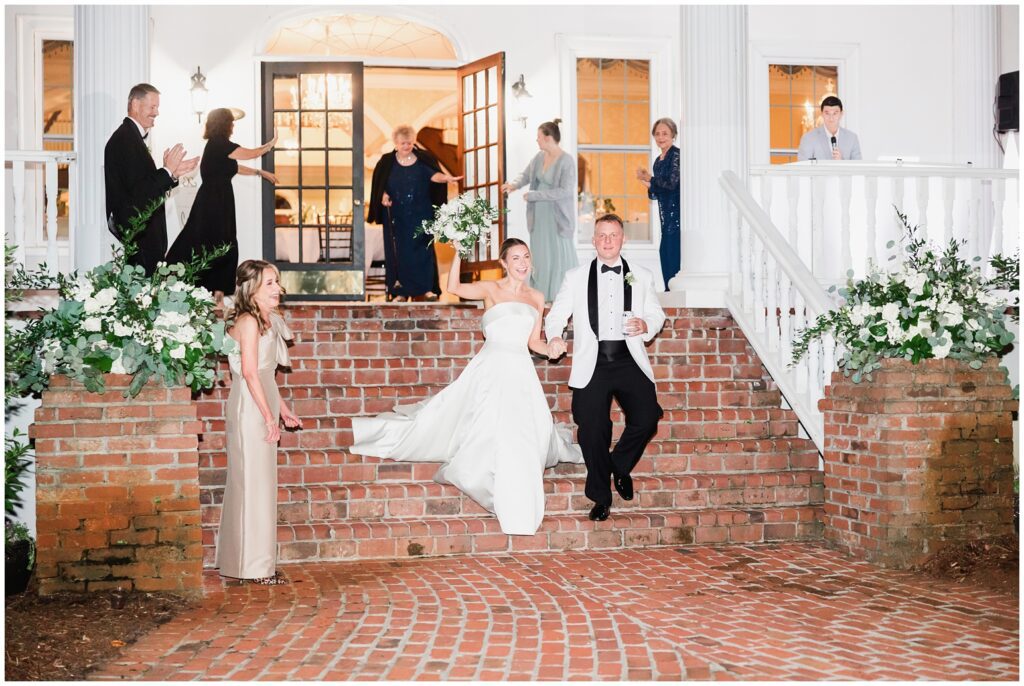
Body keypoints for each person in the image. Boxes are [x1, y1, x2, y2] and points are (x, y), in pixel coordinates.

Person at [350, 238, 583, 536]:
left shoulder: (536, 297)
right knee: (486, 428)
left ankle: (518, 493)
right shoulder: (491, 289)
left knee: (526, 432)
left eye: (526, 256)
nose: (522, 263)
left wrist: (550, 347)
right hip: (491, 368)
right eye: (515, 258)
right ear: (503, 263)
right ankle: (493, 483)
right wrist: (460, 250)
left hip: (521, 372)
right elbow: (455, 287)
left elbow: (533, 341)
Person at [545, 213, 665, 522]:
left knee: (648, 416)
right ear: (594, 239)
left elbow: (657, 314)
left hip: (628, 358)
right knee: (592, 431)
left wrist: (646, 324)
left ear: (623, 239)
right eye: (602, 235)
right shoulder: (575, 276)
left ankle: (619, 466)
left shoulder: (641, 274)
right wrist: (555, 335)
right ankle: (600, 496)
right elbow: (556, 314)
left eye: (613, 235)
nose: (608, 240)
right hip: (593, 361)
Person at [215, 260, 302, 585]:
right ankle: (252, 567)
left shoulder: (268, 319)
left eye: (277, 282)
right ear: (251, 288)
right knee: (251, 485)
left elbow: (267, 375)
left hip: (261, 401)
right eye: (269, 283)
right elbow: (250, 373)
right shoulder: (249, 321)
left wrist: (282, 410)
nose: (278, 288)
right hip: (249, 409)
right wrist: (267, 417)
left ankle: (251, 563)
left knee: (260, 486)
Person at [166, 108, 278, 300]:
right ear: (224, 124)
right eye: (231, 122)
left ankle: (217, 296)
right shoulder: (219, 144)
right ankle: (203, 290)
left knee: (222, 244)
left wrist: (261, 174)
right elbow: (249, 154)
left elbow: (235, 167)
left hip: (219, 201)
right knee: (215, 243)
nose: (233, 125)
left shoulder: (218, 148)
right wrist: (270, 145)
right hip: (213, 203)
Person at [104, 83, 199, 275]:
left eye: (157, 107)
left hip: (144, 240)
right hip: (142, 241)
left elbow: (143, 186)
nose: (156, 113)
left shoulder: (130, 138)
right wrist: (166, 171)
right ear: (136, 104)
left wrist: (171, 174)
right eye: (152, 107)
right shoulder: (125, 140)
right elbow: (139, 193)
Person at [367, 125, 461, 301]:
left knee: (423, 253)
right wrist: (383, 195)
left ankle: (426, 289)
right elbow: (379, 185)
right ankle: (400, 292)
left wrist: (445, 177)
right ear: (395, 143)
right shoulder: (387, 162)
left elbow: (434, 176)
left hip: (421, 214)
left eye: (409, 143)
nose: (406, 146)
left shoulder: (422, 159)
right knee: (398, 254)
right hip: (396, 216)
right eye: (403, 143)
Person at [501, 119, 579, 302]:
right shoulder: (539, 157)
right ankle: (540, 297)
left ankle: (561, 298)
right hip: (538, 217)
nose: (537, 141)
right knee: (541, 258)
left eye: (539, 137)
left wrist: (536, 195)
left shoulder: (566, 161)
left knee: (558, 256)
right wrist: (513, 185)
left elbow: (565, 191)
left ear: (548, 138)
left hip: (557, 218)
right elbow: (526, 175)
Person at [636, 117, 680, 290]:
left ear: (673, 135)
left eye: (665, 133)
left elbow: (672, 184)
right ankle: (669, 291)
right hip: (665, 217)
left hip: (677, 215)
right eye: (657, 134)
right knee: (665, 255)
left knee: (672, 255)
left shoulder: (676, 155)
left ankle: (673, 291)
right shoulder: (657, 160)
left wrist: (650, 178)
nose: (661, 137)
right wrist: (647, 183)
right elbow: (656, 193)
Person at [797, 96, 862, 161]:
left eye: (835, 113)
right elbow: (802, 166)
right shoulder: (808, 138)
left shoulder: (852, 138)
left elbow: (858, 168)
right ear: (822, 114)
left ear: (841, 114)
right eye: (827, 113)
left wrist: (842, 161)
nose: (831, 118)